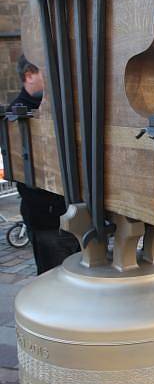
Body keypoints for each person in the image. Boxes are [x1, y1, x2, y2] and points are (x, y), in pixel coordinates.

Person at [8, 56, 79, 274]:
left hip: (71, 213)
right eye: (45, 73)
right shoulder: (17, 115)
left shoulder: (57, 107)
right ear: (29, 75)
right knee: (55, 279)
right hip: (47, 218)